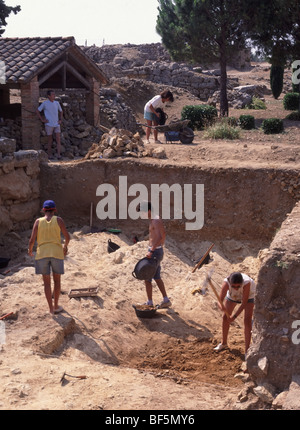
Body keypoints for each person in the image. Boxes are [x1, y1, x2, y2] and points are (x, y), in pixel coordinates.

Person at [28, 200, 70, 315]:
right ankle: (56, 306)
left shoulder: (38, 221)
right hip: (56, 253)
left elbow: (32, 240)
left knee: (46, 283)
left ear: (43, 210)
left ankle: (51, 309)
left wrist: (30, 249)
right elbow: (67, 236)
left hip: (42, 254)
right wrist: (65, 247)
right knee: (57, 281)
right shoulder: (59, 220)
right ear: (54, 210)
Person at [139, 201, 172, 309]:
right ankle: (166, 300)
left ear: (148, 211)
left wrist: (151, 250)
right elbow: (163, 234)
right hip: (156, 251)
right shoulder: (155, 219)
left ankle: (150, 302)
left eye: (143, 212)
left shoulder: (156, 221)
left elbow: (159, 237)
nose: (142, 215)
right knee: (156, 277)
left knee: (147, 277)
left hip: (155, 252)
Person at [214, 272, 256, 354]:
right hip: (233, 296)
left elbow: (244, 303)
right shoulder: (226, 282)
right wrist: (221, 306)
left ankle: (247, 350)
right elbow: (220, 300)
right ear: (230, 283)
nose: (236, 288)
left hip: (249, 295)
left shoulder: (247, 283)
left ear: (241, 283)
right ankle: (223, 343)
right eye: (233, 286)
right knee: (225, 318)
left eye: (238, 286)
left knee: (247, 321)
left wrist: (234, 316)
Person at [36, 90, 63, 160]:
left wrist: (60, 119)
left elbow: (61, 111)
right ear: (49, 96)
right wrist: (42, 120)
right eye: (53, 94)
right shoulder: (45, 103)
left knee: (58, 139)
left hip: (56, 124)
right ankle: (49, 155)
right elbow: (37, 111)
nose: (54, 96)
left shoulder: (57, 103)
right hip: (49, 124)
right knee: (50, 140)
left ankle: (59, 155)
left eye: (54, 94)